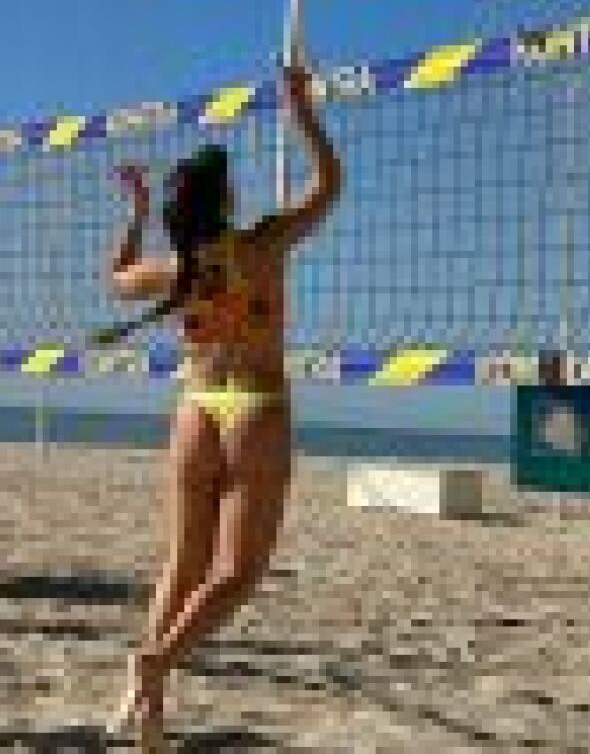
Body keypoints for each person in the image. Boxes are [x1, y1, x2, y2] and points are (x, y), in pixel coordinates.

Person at [102, 60, 341, 746]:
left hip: (197, 408)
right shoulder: (264, 244)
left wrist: (135, 212)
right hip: (255, 408)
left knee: (182, 565)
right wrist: (303, 112)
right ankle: (157, 663)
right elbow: (328, 186)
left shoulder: (177, 270)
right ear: (227, 198)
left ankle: (145, 703)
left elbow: (116, 278)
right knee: (235, 575)